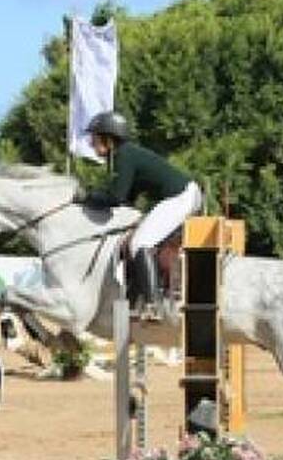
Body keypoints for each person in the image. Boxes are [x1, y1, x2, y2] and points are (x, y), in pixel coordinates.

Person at [76, 111, 203, 319]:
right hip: (182, 195)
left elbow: (116, 197)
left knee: (138, 243)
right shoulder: (125, 154)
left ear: (108, 139)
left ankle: (153, 305)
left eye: (95, 137)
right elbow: (126, 199)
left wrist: (87, 197)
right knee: (137, 237)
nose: (91, 143)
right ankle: (141, 299)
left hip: (180, 197)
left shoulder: (124, 155)